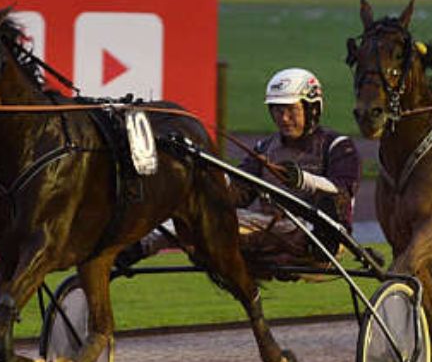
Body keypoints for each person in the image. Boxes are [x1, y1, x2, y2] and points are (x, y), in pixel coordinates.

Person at [119, 68, 362, 280]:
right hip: (270, 228)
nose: (284, 119)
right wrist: (206, 174)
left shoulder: (338, 146)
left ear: (312, 109)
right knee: (192, 216)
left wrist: (303, 180)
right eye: (277, 111)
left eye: (291, 110)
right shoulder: (265, 148)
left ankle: (310, 248)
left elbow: (342, 193)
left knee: (317, 218)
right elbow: (237, 194)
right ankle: (128, 253)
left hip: (321, 232)